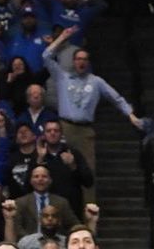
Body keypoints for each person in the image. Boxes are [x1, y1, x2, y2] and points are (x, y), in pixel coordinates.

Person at [42, 27, 143, 199]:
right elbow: (46, 57)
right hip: (64, 128)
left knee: (87, 171)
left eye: (85, 59)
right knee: (60, 168)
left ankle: (89, 215)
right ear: (74, 62)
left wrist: (130, 115)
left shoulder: (96, 82)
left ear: (88, 63)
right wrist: (61, 39)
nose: (81, 62)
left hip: (85, 131)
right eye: (78, 59)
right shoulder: (63, 77)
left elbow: (116, 98)